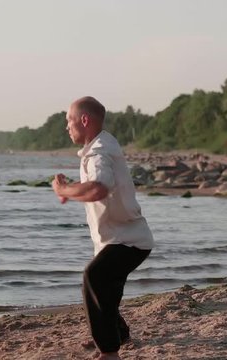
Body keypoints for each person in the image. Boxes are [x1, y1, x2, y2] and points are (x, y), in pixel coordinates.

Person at [52, 96, 154, 360]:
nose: (67, 127)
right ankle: (119, 334)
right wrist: (70, 190)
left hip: (129, 239)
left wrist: (63, 189)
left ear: (84, 120)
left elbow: (98, 188)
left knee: (94, 278)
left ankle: (109, 352)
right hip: (118, 238)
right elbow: (95, 186)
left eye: (69, 121)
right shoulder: (99, 146)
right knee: (107, 290)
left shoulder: (99, 151)